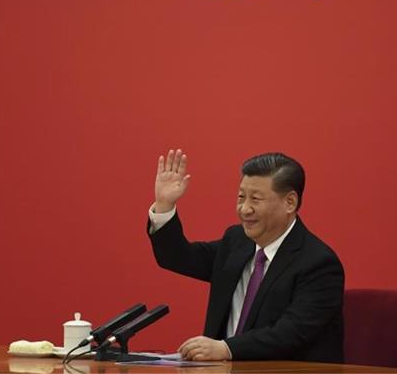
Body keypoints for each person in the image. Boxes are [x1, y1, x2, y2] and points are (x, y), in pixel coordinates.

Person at [147, 149, 345, 362]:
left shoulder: (319, 264)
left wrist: (226, 349)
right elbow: (177, 257)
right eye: (241, 197)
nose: (245, 209)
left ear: (290, 202)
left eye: (256, 199)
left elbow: (290, 333)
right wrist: (165, 205)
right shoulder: (237, 241)